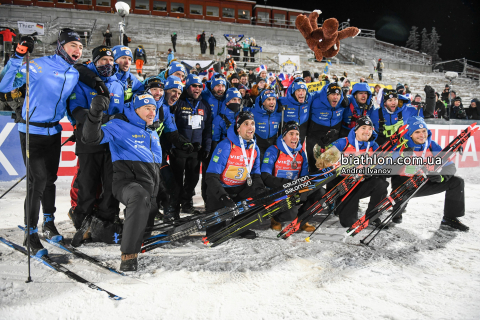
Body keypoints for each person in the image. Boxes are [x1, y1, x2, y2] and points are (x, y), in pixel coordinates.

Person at [0, 28, 83, 254]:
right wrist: (17, 57)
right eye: (73, 45)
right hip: (31, 130)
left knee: (50, 180)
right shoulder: (38, 66)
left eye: (80, 47)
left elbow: (65, 103)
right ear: (61, 46)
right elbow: (4, 86)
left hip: (54, 132)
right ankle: (30, 233)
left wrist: (76, 123)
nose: (78, 50)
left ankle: (48, 223)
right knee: (36, 182)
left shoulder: (73, 73)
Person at [82, 93, 162, 271]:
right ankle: (128, 257)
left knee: (141, 232)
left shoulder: (152, 131)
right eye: (147, 108)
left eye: (154, 109)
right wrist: (95, 113)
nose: (152, 113)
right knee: (138, 197)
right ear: (135, 110)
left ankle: (97, 229)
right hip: (126, 184)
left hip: (150, 191)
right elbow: (90, 138)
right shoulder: (119, 125)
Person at [68, 46, 126, 246]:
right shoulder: (83, 81)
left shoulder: (118, 84)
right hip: (88, 141)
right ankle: (82, 222)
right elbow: (77, 111)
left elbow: (123, 113)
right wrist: (103, 118)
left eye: (110, 60)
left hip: (112, 142)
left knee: (111, 184)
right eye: (102, 60)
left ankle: (106, 222)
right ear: (94, 62)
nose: (107, 64)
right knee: (87, 184)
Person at [390, 116, 468, 231]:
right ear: (410, 134)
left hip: (425, 182)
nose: (422, 135)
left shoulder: (432, 145)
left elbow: (450, 166)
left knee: (457, 182)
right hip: (405, 185)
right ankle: (397, 211)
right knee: (396, 216)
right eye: (417, 132)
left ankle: (450, 218)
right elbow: (387, 168)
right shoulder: (402, 146)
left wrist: (442, 177)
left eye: (424, 131)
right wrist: (401, 158)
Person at [205, 111, 265, 239]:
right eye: (246, 124)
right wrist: (222, 196)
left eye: (253, 124)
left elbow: (256, 175)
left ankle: (239, 226)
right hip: (222, 189)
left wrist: (260, 190)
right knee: (215, 234)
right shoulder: (226, 146)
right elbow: (211, 176)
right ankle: (216, 227)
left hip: (241, 188)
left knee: (258, 196)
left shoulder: (255, 148)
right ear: (238, 128)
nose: (251, 127)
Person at [326, 116, 389, 227]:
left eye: (370, 129)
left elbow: (380, 166)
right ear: (356, 130)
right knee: (348, 223)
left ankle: (373, 215)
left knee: (381, 183)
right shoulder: (343, 142)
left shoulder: (373, 146)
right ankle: (337, 204)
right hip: (343, 184)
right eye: (363, 128)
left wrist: (372, 171)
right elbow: (324, 163)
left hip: (361, 183)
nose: (367, 131)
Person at [261, 121, 316, 232]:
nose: (294, 137)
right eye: (291, 133)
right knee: (291, 214)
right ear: (284, 136)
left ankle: (302, 219)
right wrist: (287, 184)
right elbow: (265, 176)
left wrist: (303, 189)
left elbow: (304, 176)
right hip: (278, 191)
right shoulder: (273, 150)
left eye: (297, 134)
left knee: (318, 192)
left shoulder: (300, 152)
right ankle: (275, 218)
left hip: (294, 190)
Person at [169, 74, 212, 214]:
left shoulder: (204, 105)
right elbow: (170, 126)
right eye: (194, 86)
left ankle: (186, 203)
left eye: (200, 86)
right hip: (179, 148)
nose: (197, 89)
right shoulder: (178, 102)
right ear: (187, 87)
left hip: (196, 149)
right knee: (176, 180)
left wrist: (207, 146)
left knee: (192, 179)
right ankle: (173, 206)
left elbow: (208, 129)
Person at [306, 83, 348, 172]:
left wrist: (344, 95)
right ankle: (313, 183)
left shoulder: (342, 103)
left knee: (331, 167)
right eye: (333, 94)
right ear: (327, 95)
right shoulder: (316, 100)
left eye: (338, 95)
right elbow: (304, 98)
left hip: (333, 136)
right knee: (314, 165)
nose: (335, 97)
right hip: (315, 135)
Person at [251, 89, 281, 159]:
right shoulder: (253, 111)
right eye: (269, 99)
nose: (272, 102)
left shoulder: (279, 112)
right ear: (263, 102)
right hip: (258, 144)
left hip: (272, 143)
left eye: (274, 99)